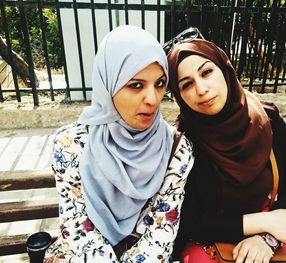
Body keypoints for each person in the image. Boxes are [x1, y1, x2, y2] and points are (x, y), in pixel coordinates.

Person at [44, 25, 194, 263]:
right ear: (108, 85)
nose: (152, 99)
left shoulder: (176, 148)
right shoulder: (70, 145)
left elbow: (161, 231)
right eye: (135, 85)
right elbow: (77, 229)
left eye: (159, 83)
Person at [165, 28, 286, 263]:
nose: (201, 89)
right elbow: (190, 221)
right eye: (187, 84)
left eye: (207, 72)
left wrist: (266, 237)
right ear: (179, 96)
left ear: (225, 69)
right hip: (209, 240)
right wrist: (263, 222)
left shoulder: (268, 118)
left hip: (269, 234)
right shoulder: (182, 140)